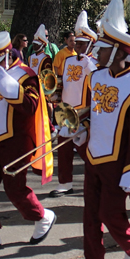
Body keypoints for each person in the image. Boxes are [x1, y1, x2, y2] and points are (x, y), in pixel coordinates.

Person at [65, 0, 130, 259]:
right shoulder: (95, 78)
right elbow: (93, 114)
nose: (97, 52)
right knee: (90, 218)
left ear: (119, 51)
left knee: (109, 213)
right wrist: (79, 131)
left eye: (103, 48)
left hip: (119, 163)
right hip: (94, 156)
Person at [0, 27, 56, 253]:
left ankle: (42, 216)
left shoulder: (27, 75)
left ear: (7, 55)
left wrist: (13, 90)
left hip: (17, 140)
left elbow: (32, 107)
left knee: (15, 189)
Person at [50, 12, 98, 197]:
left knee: (86, 149)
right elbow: (66, 81)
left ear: (90, 44)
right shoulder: (69, 60)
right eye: (76, 43)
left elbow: (96, 81)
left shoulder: (93, 62)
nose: (77, 46)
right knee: (63, 148)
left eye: (81, 44)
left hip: (84, 111)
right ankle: (65, 183)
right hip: (65, 109)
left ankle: (96, 180)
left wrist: (88, 64)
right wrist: (57, 94)